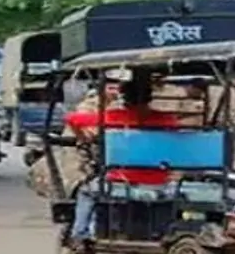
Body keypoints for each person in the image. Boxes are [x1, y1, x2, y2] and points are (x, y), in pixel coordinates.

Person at [66, 78, 179, 244]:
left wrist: (83, 137)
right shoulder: (167, 119)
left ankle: (79, 234)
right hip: (160, 181)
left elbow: (72, 119)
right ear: (150, 97)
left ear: (124, 98)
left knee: (86, 191)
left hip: (122, 180)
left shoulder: (114, 116)